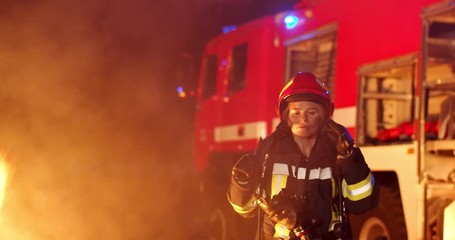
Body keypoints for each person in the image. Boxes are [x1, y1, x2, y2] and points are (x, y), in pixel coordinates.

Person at [227, 72, 379, 240]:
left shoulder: (339, 154)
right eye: (296, 113)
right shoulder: (269, 151)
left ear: (325, 116)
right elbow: (245, 209)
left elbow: (363, 204)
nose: (303, 120)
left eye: (312, 112)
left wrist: (349, 158)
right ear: (284, 115)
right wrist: (241, 184)